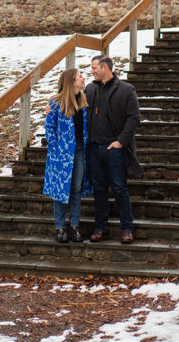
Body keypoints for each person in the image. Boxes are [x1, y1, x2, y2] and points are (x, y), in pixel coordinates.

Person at [84, 54, 142, 244]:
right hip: (94, 148)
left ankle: (127, 229)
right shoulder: (90, 89)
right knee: (99, 189)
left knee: (119, 188)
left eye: (94, 68)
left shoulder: (126, 89)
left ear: (105, 68)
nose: (91, 71)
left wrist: (120, 142)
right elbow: (73, 104)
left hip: (114, 148)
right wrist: (51, 106)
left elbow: (134, 118)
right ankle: (101, 228)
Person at [43, 67, 91, 243]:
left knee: (76, 188)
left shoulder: (84, 101)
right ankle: (60, 228)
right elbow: (50, 127)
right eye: (80, 77)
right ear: (72, 81)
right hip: (61, 152)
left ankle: (74, 226)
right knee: (60, 190)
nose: (83, 78)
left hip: (80, 150)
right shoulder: (56, 103)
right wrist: (54, 148)